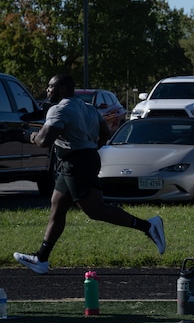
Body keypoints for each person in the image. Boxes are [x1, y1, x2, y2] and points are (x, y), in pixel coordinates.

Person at [13, 74, 165, 274]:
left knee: (95, 210)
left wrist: (30, 135)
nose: (48, 90)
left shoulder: (59, 109)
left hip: (77, 163)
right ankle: (41, 259)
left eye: (51, 87)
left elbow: (44, 140)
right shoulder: (88, 108)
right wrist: (90, 148)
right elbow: (105, 134)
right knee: (57, 206)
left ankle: (148, 226)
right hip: (81, 159)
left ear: (64, 89)